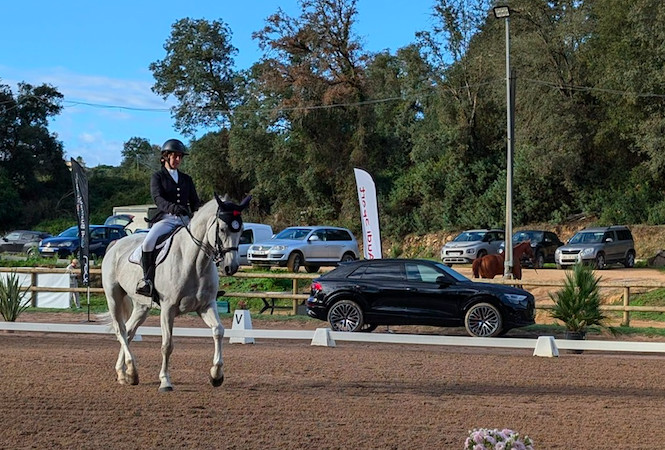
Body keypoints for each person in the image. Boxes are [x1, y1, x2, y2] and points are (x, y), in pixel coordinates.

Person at [135, 139, 201, 297]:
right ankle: (147, 281)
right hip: (167, 218)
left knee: (204, 239)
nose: (177, 160)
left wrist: (198, 215)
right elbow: (158, 199)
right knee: (148, 243)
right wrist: (173, 208)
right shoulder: (158, 177)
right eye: (174, 156)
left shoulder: (187, 179)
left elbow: (195, 201)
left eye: (180, 157)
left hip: (185, 219)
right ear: (165, 156)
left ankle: (207, 284)